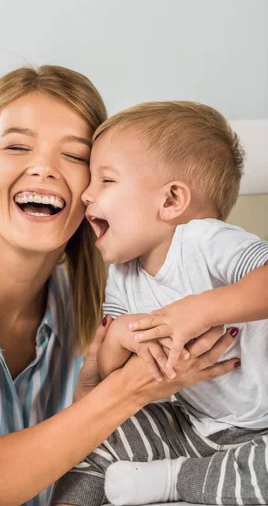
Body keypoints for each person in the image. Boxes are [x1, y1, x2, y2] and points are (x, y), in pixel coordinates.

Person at [0, 73, 240, 506]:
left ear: (96, 188)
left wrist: (92, 395)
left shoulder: (96, 298)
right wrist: (125, 391)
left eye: (74, 155)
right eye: (17, 146)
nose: (44, 167)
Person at [52, 101, 268, 506]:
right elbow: (111, 369)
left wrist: (201, 309)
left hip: (263, 429)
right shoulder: (123, 272)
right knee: (92, 440)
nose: (85, 194)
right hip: (193, 426)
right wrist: (118, 336)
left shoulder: (206, 241)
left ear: (171, 201)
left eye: (107, 180)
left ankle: (175, 480)